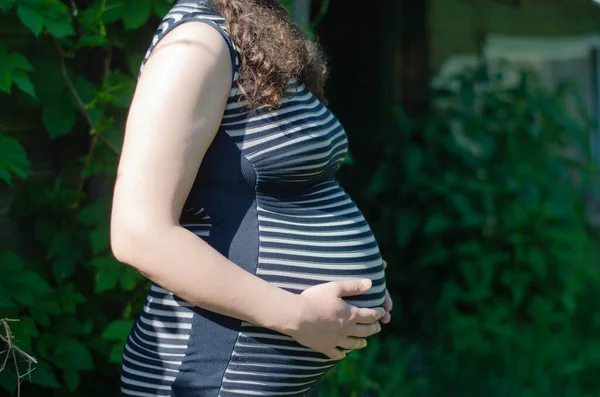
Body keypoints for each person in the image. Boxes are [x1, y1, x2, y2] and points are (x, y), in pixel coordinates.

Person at [110, 0, 393, 395]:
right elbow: (138, 234)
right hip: (211, 373)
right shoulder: (197, 45)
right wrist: (297, 314)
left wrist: (359, 281)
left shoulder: (253, 36)